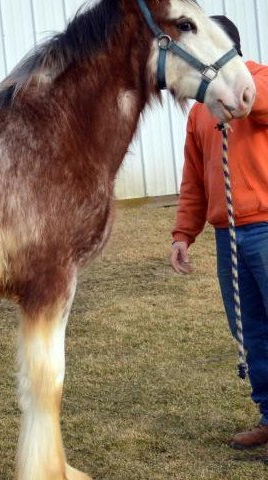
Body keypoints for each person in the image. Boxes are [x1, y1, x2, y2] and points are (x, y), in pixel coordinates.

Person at [170, 15, 268, 451]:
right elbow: (194, 178)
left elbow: (257, 102)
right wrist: (182, 233)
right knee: (250, 332)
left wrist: (235, 87)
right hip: (228, 237)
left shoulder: (258, 83)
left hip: (265, 228)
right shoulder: (199, 112)